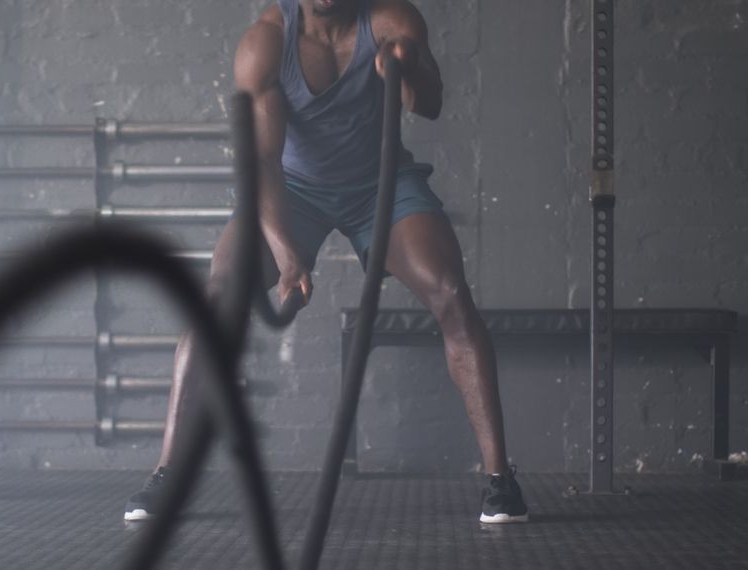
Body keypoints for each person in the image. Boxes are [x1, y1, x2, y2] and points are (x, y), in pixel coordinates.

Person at [125, 0, 528, 524]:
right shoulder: (267, 42)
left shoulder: (392, 22)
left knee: (451, 294)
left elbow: (428, 104)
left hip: (379, 183)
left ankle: (500, 481)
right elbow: (263, 160)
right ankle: (167, 475)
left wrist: (409, 66)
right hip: (292, 189)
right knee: (221, 292)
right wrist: (286, 250)